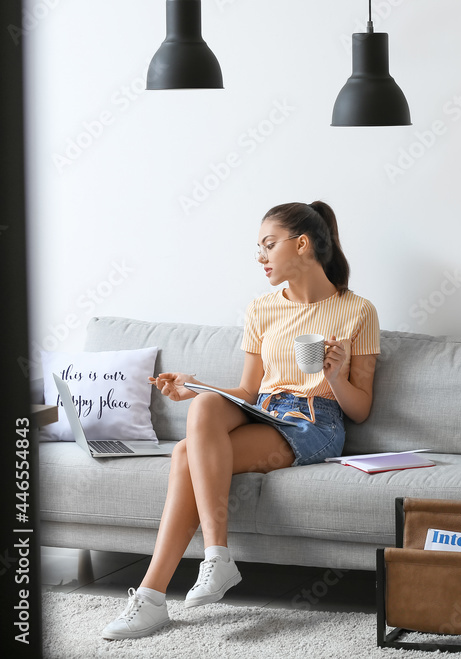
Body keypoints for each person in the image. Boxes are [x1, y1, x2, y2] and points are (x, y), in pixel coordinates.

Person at [101, 201, 380, 639]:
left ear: (302, 244)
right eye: (259, 248)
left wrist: (334, 377)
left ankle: (153, 596)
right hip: (265, 410)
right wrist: (195, 387)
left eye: (269, 245)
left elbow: (360, 408)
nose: (261, 257)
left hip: (315, 422)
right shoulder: (261, 310)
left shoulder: (357, 311)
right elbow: (249, 392)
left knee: (184, 453)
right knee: (205, 408)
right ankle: (215, 556)